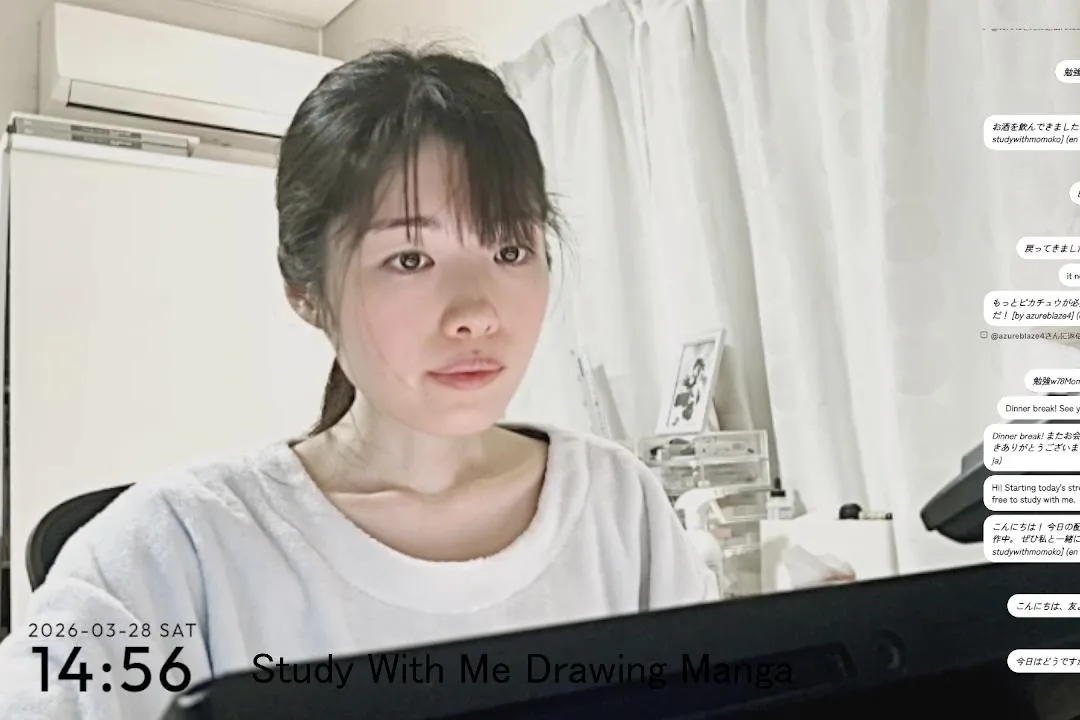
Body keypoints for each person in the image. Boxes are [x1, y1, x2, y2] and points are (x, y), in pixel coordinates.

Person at [0, 47, 719, 719]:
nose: (476, 313)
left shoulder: (617, 508)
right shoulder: (171, 555)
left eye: (509, 249)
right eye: (409, 259)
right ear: (307, 293)